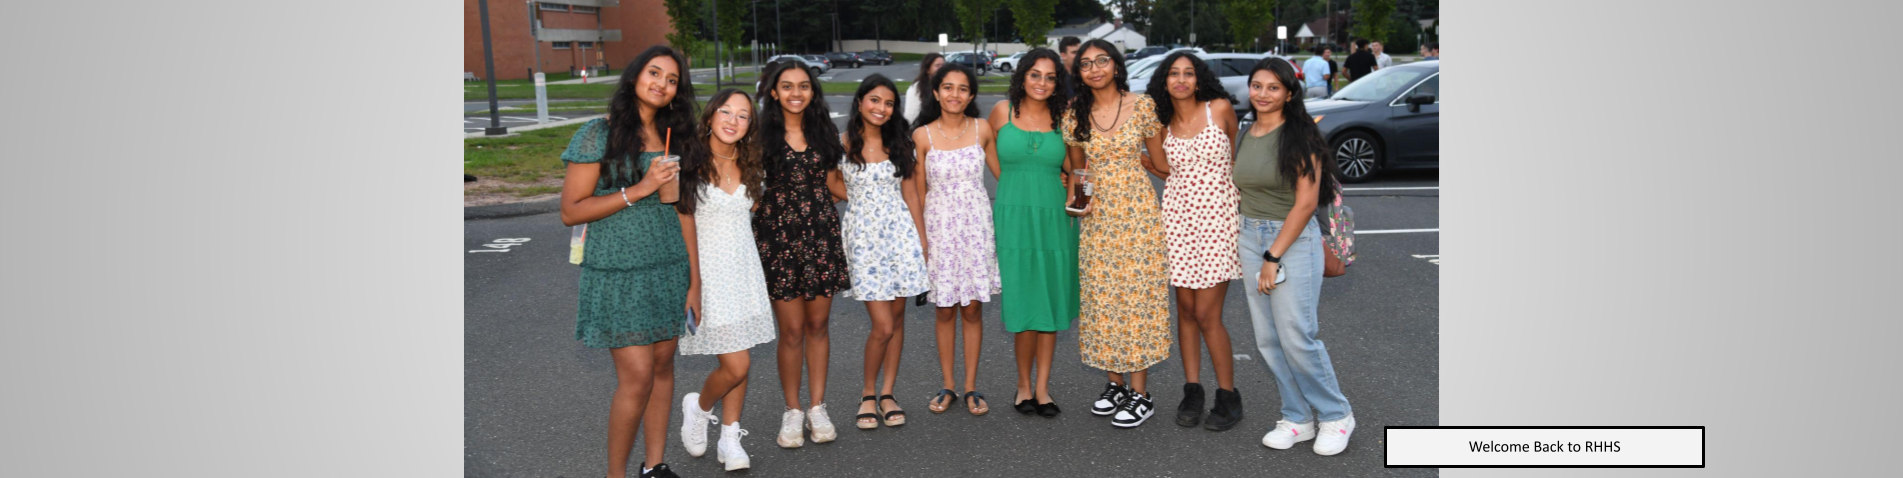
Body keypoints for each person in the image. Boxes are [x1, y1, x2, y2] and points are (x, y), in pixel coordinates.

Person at [558, 44, 696, 478]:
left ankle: (654, 465)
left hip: (668, 267)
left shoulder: (674, 138)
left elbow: (683, 211)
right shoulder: (599, 134)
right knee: (636, 377)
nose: (661, 84)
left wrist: (695, 281)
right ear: (635, 76)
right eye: (654, 73)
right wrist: (639, 188)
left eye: (672, 80)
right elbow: (571, 211)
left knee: (662, 367)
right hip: (618, 271)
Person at [1236, 57, 1357, 456]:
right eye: (1257, 85)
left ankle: (1336, 415)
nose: (1263, 94)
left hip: (1291, 240)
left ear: (1289, 92)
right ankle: (1297, 418)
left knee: (1296, 335)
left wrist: (1273, 255)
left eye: (1273, 87)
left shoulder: (1301, 136)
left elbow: (1306, 203)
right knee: (1268, 339)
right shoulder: (1245, 131)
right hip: (1250, 235)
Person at [1061, 39, 1170, 429]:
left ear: (1116, 66)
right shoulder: (1074, 113)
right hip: (1098, 218)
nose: (1094, 69)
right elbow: (1077, 170)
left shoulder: (1142, 106)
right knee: (1103, 296)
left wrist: (1128, 159)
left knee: (1137, 296)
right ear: (1080, 73)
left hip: (1138, 213)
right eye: (1086, 64)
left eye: (1101, 61)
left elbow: (1160, 163)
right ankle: (1115, 385)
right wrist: (1077, 199)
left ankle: (1141, 394)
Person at [1142, 52, 1245, 432]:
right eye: (1173, 73)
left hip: (1219, 220)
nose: (1181, 80)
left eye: (1188, 73)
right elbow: (1168, 169)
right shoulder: (1160, 123)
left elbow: (1237, 162)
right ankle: (1193, 390)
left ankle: (1228, 396)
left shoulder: (1219, 109)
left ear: (1199, 79)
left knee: (1206, 314)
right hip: (1178, 221)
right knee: (1185, 310)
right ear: (1164, 80)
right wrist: (1150, 166)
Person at [674, 88, 773, 472]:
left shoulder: (753, 166)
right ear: (711, 116)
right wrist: (693, 284)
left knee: (742, 354)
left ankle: (730, 437)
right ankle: (698, 408)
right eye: (726, 112)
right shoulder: (690, 163)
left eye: (743, 115)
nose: (733, 120)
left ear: (750, 126)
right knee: (737, 365)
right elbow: (684, 224)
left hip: (744, 272)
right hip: (708, 274)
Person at [752, 60, 850, 449]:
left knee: (818, 327)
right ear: (773, 92)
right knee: (791, 331)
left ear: (813, 91)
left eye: (804, 86)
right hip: (777, 240)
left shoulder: (825, 132)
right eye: (787, 86)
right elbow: (744, 188)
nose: (796, 93)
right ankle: (792, 411)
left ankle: (817, 407)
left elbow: (836, 186)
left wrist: (887, 184)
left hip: (821, 237)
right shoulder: (758, 137)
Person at [829, 74, 930, 430]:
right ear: (860, 102)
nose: (881, 108)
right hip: (864, 241)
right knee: (882, 325)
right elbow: (832, 185)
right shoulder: (841, 144)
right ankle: (868, 393)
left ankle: (888, 393)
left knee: (898, 320)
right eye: (874, 100)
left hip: (900, 236)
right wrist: (860, 201)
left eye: (888, 103)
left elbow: (913, 194)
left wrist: (922, 239)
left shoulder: (901, 144)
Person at [986, 48, 1076, 419]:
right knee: (1023, 302)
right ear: (1022, 76)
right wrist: (1014, 190)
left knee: (1049, 302)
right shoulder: (1000, 113)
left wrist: (1070, 184)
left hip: (1054, 220)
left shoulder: (1065, 119)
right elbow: (992, 162)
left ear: (1058, 82)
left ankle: (1043, 389)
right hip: (1013, 220)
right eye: (1035, 74)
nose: (1042, 82)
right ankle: (1023, 385)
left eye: (1050, 76)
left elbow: (1079, 170)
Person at [913, 62, 1003, 416]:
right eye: (947, 87)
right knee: (945, 309)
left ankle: (971, 387)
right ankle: (948, 385)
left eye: (963, 88)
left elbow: (1004, 176)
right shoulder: (922, 136)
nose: (955, 94)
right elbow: (918, 196)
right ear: (935, 93)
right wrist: (922, 244)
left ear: (971, 95)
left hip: (976, 229)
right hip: (940, 231)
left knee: (972, 309)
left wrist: (1049, 178)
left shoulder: (983, 129)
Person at [903, 53, 946, 124]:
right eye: (937, 65)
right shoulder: (916, 88)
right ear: (927, 70)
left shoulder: (946, 87)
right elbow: (910, 117)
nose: (942, 69)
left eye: (943, 65)